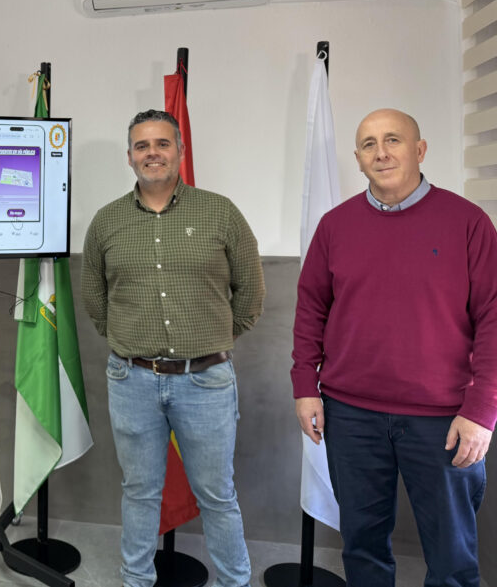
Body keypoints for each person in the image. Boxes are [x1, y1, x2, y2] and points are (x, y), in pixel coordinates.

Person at [292, 108, 497, 585]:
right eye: (369, 144)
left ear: (419, 150)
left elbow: (492, 317)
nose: (381, 152)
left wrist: (483, 410)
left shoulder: (468, 222)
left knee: (452, 557)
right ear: (358, 158)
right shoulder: (334, 226)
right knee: (362, 547)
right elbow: (311, 309)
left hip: (445, 419)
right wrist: (305, 386)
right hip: (351, 416)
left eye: (393, 140)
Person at [82, 109, 265, 587]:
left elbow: (250, 292)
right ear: (129, 157)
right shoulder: (107, 221)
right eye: (142, 146)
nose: (152, 153)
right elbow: (95, 299)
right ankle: (136, 581)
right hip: (132, 379)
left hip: (206, 381)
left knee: (217, 495)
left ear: (180, 151)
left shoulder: (220, 212)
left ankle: (234, 583)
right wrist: (130, 341)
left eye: (162, 143)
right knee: (140, 491)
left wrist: (212, 340)